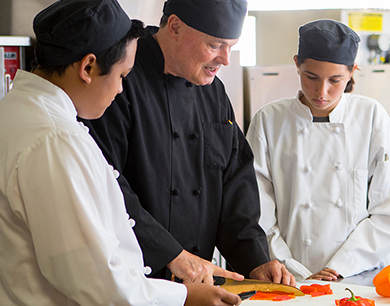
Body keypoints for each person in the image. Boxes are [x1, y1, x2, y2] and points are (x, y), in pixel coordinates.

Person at [0, 0, 240, 305]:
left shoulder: (18, 110)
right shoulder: (55, 140)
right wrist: (185, 296)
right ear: (87, 67)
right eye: (122, 76)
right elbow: (101, 284)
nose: (121, 91)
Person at [81, 0, 294, 285]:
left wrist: (255, 260)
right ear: (176, 27)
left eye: (231, 47)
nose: (225, 59)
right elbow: (107, 183)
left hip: (198, 284)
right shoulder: (121, 81)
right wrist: (172, 254)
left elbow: (235, 186)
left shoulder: (214, 92)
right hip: (132, 280)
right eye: (215, 45)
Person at [245, 19, 390, 281]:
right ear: (297, 63)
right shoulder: (269, 120)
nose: (322, 92)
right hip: (289, 277)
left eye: (335, 80)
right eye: (311, 77)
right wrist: (290, 267)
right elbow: (257, 209)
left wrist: (342, 266)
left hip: (359, 273)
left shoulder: (371, 117)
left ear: (353, 71)